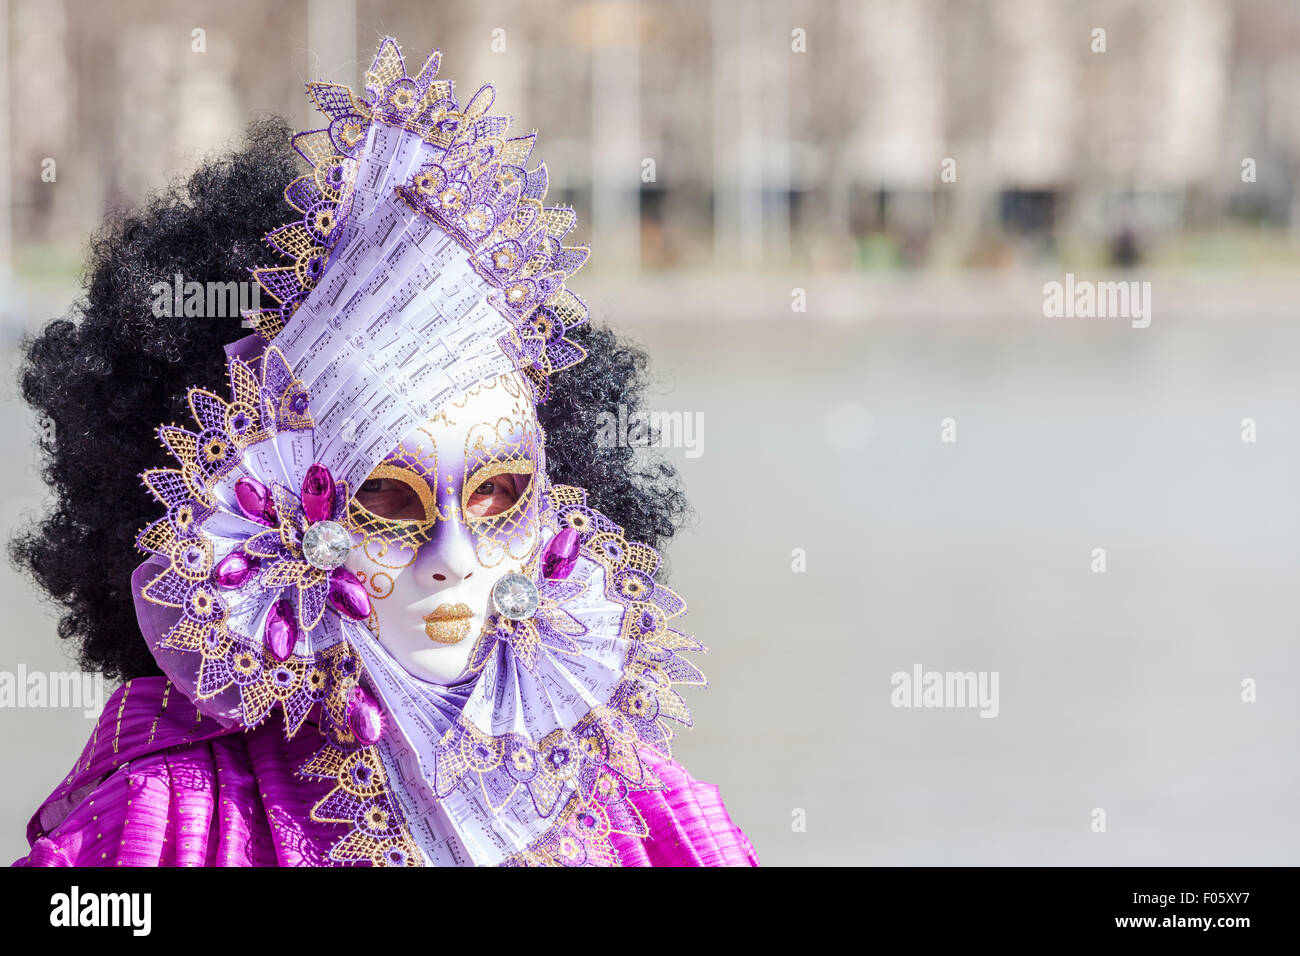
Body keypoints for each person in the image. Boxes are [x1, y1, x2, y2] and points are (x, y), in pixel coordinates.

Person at [10, 37, 757, 867]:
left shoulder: (634, 808)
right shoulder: (172, 822)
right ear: (264, 512)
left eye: (498, 493)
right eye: (389, 500)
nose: (453, 560)